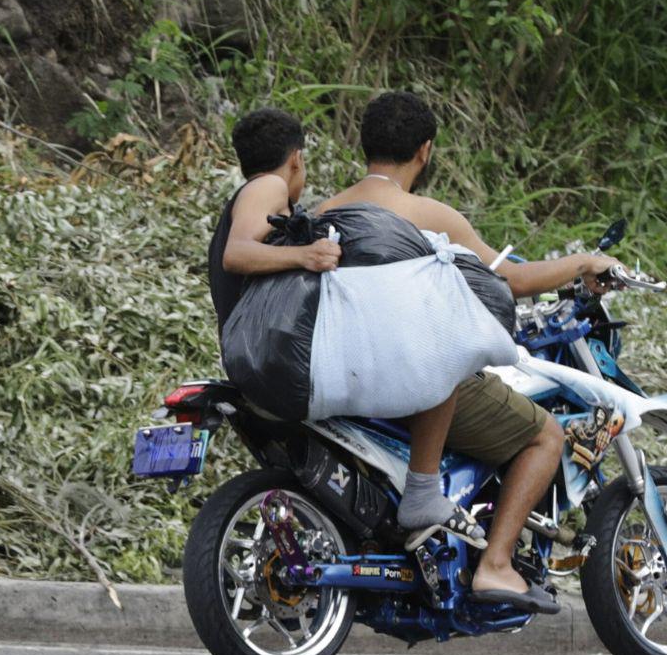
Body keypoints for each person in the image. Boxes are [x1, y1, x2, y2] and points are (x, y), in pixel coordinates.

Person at [317, 91, 625, 613]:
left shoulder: (325, 211)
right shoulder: (428, 214)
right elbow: (512, 280)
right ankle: (497, 564)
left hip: (341, 377)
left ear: (363, 145)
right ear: (425, 150)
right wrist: (583, 263)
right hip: (408, 381)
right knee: (545, 437)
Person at [208, 107, 485, 547]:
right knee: (439, 359)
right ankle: (423, 490)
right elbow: (238, 252)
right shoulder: (269, 186)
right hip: (276, 357)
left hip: (252, 358)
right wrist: (305, 255)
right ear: (296, 159)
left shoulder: (253, 195)